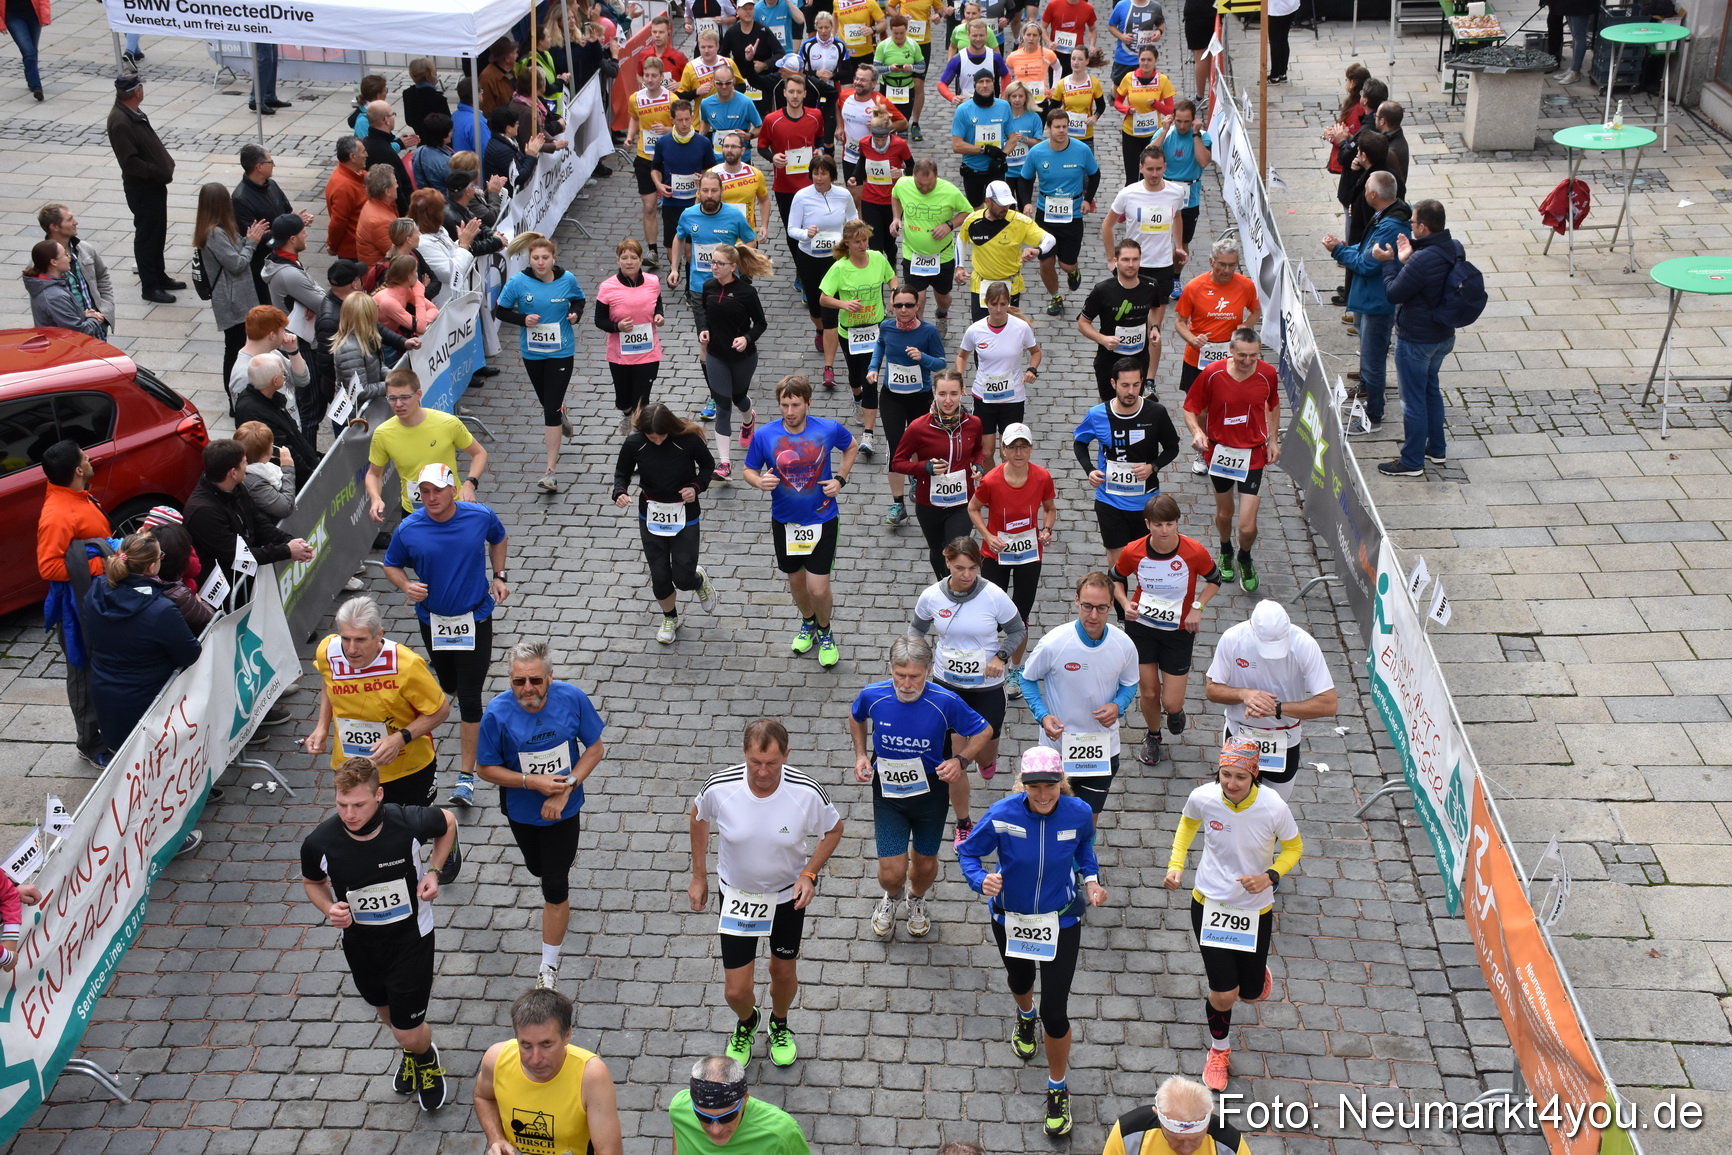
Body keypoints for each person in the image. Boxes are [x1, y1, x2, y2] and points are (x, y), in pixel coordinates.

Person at [957, 748, 1106, 1138]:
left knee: (1056, 1011)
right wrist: (980, 880)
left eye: (1051, 787)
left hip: (1062, 920)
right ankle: (1025, 1017)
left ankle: (1057, 1086)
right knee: (1020, 982)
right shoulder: (1003, 813)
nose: (1043, 795)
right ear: (1023, 784)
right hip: (1012, 918)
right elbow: (968, 852)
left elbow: (1084, 849)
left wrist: (1090, 879)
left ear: (1062, 783)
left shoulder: (1077, 812)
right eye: (1035, 787)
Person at [299, 758, 458, 1111]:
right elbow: (313, 882)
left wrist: (434, 870)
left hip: (410, 939)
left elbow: (448, 822)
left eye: (359, 804)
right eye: (342, 804)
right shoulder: (319, 842)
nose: (349, 814)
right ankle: (413, 1051)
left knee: (406, 1028)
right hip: (361, 945)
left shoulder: (406, 821)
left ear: (379, 795)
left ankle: (427, 1060)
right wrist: (329, 908)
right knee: (385, 1012)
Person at [689, 720, 844, 1068]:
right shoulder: (720, 787)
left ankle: (779, 1022)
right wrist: (699, 876)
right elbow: (698, 818)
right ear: (744, 754)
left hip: (786, 899)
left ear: (786, 756)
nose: (762, 772)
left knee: (783, 973)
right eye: (755, 763)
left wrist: (809, 873)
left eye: (772, 764)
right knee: (736, 991)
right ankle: (748, 1020)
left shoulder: (805, 792)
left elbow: (834, 829)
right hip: (738, 898)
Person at [1165, 737, 1301, 1092]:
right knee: (1224, 993)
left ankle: (1255, 976)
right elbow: (1187, 825)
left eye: (1240, 776)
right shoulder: (1203, 797)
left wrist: (1269, 876)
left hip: (1255, 909)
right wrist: (1176, 866)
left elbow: (1294, 847)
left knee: (1250, 993)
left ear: (1254, 775)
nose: (1231, 783)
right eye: (1225, 774)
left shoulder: (1273, 807)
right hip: (1209, 903)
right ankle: (1219, 1051)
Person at [475, 642, 606, 990]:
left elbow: (595, 748)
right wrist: (530, 781)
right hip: (521, 812)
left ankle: (548, 967)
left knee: (554, 883)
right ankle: (554, 890)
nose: (527, 689)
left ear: (550, 677)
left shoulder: (572, 699)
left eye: (535, 680)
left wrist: (565, 789)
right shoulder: (497, 715)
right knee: (536, 867)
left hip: (564, 811)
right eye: (519, 681)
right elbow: (485, 768)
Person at [382, 464, 511, 808]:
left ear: (453, 489)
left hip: (475, 618)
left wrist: (499, 575)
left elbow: (498, 537)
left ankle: (466, 778)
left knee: (469, 698)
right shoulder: (409, 528)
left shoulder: (479, 516)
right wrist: (406, 584)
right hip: (433, 622)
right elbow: (391, 564)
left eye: (437, 490)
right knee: (448, 683)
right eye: (424, 492)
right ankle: (448, 694)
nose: (431, 497)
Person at [849, 636, 991, 938]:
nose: (906, 683)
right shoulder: (873, 695)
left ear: (928, 671)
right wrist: (861, 754)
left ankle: (916, 898)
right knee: (891, 873)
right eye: (900, 675)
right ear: (890, 669)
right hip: (888, 793)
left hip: (931, 794)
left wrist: (961, 761)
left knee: (925, 865)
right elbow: (856, 715)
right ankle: (891, 897)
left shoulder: (945, 701)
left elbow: (984, 730)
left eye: (914, 676)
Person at [910, 536, 1023, 843]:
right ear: (947, 562)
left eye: (973, 568)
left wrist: (1001, 657)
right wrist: (920, 662)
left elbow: (1017, 630)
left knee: (985, 755)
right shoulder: (932, 596)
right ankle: (964, 823)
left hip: (987, 687)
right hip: (948, 687)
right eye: (960, 568)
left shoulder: (994, 596)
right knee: (957, 760)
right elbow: (917, 630)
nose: (967, 575)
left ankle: (988, 761)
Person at [742, 377, 859, 668]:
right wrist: (760, 481)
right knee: (797, 583)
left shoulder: (828, 429)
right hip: (785, 522)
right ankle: (808, 622)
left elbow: (852, 446)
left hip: (822, 518)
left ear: (808, 403)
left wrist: (840, 479)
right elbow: (748, 469)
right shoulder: (765, 435)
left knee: (818, 588)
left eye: (796, 404)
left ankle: (825, 630)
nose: (790, 411)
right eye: (784, 404)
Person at [305, 595, 453, 811]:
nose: (351, 649)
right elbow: (329, 682)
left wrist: (399, 740)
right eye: (346, 639)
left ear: (379, 635)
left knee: (411, 837)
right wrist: (321, 727)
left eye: (361, 640)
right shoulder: (328, 651)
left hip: (406, 769)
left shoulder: (407, 664)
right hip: (351, 767)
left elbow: (440, 711)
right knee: (361, 833)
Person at [1110, 492, 1221, 766]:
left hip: (1178, 631)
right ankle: (1153, 736)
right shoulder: (1133, 550)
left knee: (1171, 702)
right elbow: (1115, 578)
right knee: (1148, 692)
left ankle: (1174, 713)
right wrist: (1125, 604)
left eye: (1170, 524)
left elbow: (1214, 579)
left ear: (1177, 523)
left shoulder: (1193, 551)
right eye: (1158, 525)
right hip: (1143, 627)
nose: (1164, 530)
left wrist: (1198, 607)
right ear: (1147, 524)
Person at [1018, 571, 1139, 813]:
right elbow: (1026, 678)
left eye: (1101, 608)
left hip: (1103, 750)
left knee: (1087, 826)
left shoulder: (1124, 644)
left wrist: (1118, 705)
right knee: (1050, 818)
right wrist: (1043, 715)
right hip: (1057, 751)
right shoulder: (1055, 642)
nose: (1093, 615)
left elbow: (1130, 683)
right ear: (1076, 601)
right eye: (1087, 606)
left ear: (1111, 605)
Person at [81, 531, 202, 754]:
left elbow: (89, 639)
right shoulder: (161, 610)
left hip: (107, 697)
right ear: (151, 567)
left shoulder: (95, 592)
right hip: (151, 702)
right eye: (160, 556)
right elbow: (190, 653)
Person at [1206, 599, 1338, 801]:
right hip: (1241, 733)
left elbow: (1329, 704)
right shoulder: (1233, 639)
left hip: (1285, 738)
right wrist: (1245, 694)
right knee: (1233, 804)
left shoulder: (1304, 644)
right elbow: (1212, 690)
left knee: (1273, 813)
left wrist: (1277, 708)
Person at [1182, 327, 1280, 591]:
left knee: (1247, 527)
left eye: (1253, 356)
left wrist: (1273, 440)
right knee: (1225, 513)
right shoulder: (1212, 373)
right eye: (1242, 356)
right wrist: (1198, 432)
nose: (1248, 362)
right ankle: (1225, 549)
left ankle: (1244, 556)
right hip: (1221, 453)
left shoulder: (1268, 373)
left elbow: (1273, 404)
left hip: (1253, 454)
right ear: (1231, 351)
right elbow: (1190, 408)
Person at [613, 403, 719, 643]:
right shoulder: (634, 444)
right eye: (652, 437)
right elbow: (622, 472)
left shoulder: (688, 441)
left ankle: (698, 580)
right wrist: (620, 491)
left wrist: (696, 487)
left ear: (670, 428)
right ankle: (670, 617)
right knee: (659, 574)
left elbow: (708, 466)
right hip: (651, 514)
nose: (658, 441)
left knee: (682, 578)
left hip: (685, 515)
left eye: (662, 435)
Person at [37, 441, 115, 765]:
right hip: (77, 609)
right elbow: (48, 566)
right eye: (85, 457)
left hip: (94, 598)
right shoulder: (57, 515)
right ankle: (90, 742)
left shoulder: (75, 494)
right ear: (77, 471)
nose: (90, 457)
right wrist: (105, 564)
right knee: (82, 672)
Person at [475, 989, 624, 1155]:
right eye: (526, 1045)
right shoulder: (496, 1059)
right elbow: (483, 1097)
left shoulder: (590, 1075)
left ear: (567, 1035)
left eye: (546, 1045)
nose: (535, 1059)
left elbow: (608, 1150)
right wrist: (496, 1138)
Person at [1376, 198, 1463, 479]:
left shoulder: (1423, 259)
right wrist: (1409, 258)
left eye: (1413, 223)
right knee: (1430, 390)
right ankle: (1436, 448)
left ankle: (1412, 460)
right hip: (1442, 336)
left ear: (1423, 227)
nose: (1410, 226)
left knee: (1412, 400)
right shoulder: (1454, 247)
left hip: (1416, 340)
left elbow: (1394, 293)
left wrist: (1389, 264)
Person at [492, 233, 585, 493]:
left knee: (549, 410)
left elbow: (579, 299)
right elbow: (500, 310)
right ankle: (560, 410)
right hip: (533, 353)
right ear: (529, 259)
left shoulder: (567, 280)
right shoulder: (518, 283)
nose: (540, 262)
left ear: (554, 258)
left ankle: (550, 471)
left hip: (562, 352)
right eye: (536, 258)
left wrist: (575, 314)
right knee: (549, 403)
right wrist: (523, 320)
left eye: (545, 258)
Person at [1073, 356, 1179, 571]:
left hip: (1145, 502)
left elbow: (1172, 447)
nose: (1130, 391)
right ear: (1113, 384)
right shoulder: (1097, 414)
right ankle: (1122, 605)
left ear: (1142, 382)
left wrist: (1153, 467)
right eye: (1125, 385)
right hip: (1109, 499)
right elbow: (1080, 443)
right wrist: (1090, 470)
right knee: (1117, 562)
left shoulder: (1156, 413)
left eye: (1136, 385)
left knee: (1146, 563)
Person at [967, 421, 1054, 678]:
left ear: (1031, 449)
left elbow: (1049, 508)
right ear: (1003, 450)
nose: (1018, 452)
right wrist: (987, 535)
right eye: (1012, 447)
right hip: (995, 555)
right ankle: (987, 662)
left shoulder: (1042, 477)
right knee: (991, 614)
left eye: (1023, 446)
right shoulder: (991, 480)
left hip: (1029, 554)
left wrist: (1047, 530)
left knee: (1021, 616)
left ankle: (1016, 670)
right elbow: (973, 508)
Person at [1326, 171, 1409, 438]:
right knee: (1369, 354)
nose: (1364, 193)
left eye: (1366, 190)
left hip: (1377, 303)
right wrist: (1342, 247)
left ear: (1373, 195)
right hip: (1368, 299)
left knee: (1373, 359)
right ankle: (1370, 395)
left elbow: (1366, 263)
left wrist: (1338, 251)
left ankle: (1374, 413)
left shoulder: (1390, 225)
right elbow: (1363, 249)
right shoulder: (1385, 216)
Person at [1102, 145, 1189, 381]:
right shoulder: (1128, 193)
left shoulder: (1175, 192)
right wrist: (1112, 259)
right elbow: (1107, 226)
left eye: (1158, 169)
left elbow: (1178, 217)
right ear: (1141, 168)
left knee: (1154, 329)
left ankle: (1149, 379)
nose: (1154, 174)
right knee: (1127, 324)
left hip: (1160, 267)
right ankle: (1122, 372)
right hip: (1133, 267)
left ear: (1165, 168)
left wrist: (1178, 245)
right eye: (1149, 169)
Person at [891, 370, 984, 576]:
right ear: (934, 392)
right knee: (938, 550)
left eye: (953, 393)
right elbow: (898, 462)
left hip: (962, 502)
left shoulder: (973, 424)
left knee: (956, 550)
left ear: (962, 392)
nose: (948, 400)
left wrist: (978, 465)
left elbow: (978, 451)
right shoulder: (918, 427)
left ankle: (955, 588)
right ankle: (943, 584)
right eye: (942, 394)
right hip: (929, 503)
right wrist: (924, 467)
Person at [365, 368, 488, 522]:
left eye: (404, 397)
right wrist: (375, 498)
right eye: (392, 398)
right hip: (414, 512)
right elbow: (373, 473)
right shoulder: (383, 433)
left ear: (418, 395)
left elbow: (479, 453)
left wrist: (470, 483)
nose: (398, 404)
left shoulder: (447, 423)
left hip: (453, 507)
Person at [184, 438, 315, 580]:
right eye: (245, 462)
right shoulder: (203, 513)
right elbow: (237, 556)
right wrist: (287, 550)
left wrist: (290, 541)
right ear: (233, 473)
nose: (247, 465)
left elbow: (258, 523)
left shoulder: (237, 487)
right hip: (226, 586)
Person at [870, 287, 948, 526]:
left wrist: (922, 357)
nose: (904, 310)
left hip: (920, 397)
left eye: (909, 305)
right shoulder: (886, 326)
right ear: (892, 306)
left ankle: (916, 477)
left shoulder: (928, 332)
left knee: (920, 445)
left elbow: (941, 363)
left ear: (917, 306)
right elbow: (880, 346)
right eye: (899, 305)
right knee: (896, 448)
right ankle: (898, 504)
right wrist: (873, 368)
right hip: (892, 396)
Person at [819, 219, 896, 448]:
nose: (862, 245)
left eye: (865, 240)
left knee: (870, 378)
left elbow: (892, 277)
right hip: (850, 332)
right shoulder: (840, 267)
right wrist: (843, 305)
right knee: (855, 376)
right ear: (848, 244)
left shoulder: (878, 259)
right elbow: (823, 298)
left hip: (875, 330)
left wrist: (893, 293)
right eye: (857, 242)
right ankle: (856, 397)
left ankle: (868, 435)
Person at [1016, 108, 1099, 317]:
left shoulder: (1081, 150)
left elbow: (1095, 174)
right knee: (1045, 263)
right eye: (1057, 127)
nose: (1062, 131)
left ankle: (1074, 271)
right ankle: (1055, 297)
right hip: (1046, 215)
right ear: (1049, 128)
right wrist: (1026, 203)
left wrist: (1088, 200)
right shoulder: (1037, 152)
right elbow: (1024, 179)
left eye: (1065, 127)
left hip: (1072, 214)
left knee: (1066, 264)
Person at [701, 242, 774, 478]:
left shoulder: (746, 292)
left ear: (733, 266)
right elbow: (705, 314)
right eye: (712, 262)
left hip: (743, 358)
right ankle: (724, 464)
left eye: (719, 263)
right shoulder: (708, 287)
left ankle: (748, 417)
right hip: (716, 356)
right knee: (722, 407)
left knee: (738, 398)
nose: (714, 266)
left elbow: (761, 324)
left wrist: (746, 338)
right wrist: (704, 329)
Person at [107, 75, 181, 305]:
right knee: (147, 236)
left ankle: (160, 275)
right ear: (137, 92)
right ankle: (150, 286)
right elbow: (129, 161)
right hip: (143, 188)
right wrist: (154, 171)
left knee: (158, 233)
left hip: (154, 185)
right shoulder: (121, 121)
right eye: (141, 87)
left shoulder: (134, 113)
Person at [786, 155, 858, 381]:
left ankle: (829, 367)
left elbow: (853, 217)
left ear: (832, 175)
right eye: (815, 173)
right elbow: (791, 229)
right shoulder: (801, 197)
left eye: (823, 173)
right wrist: (805, 233)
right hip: (809, 257)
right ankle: (819, 329)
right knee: (816, 308)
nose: (819, 178)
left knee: (830, 313)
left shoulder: (844, 195)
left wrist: (847, 235)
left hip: (836, 259)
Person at [958, 280, 1040, 466]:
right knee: (986, 453)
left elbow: (1035, 352)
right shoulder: (975, 330)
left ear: (1008, 303)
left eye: (1003, 304)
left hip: (1013, 398)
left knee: (1007, 453)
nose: (998, 309)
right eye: (993, 304)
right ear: (986, 303)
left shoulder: (1021, 328)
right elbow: (962, 356)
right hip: (984, 398)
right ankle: (991, 487)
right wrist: (960, 378)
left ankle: (1005, 487)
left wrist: (1031, 370)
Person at [195, 184, 271, 384]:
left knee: (239, 346)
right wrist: (252, 242)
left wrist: (249, 238)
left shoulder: (221, 229)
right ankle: (234, 395)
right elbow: (237, 264)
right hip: (232, 300)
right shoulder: (214, 233)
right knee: (235, 348)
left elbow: (237, 251)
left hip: (238, 296)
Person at [672, 172, 756, 343]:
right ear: (699, 190)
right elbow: (679, 237)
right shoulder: (688, 214)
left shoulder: (734, 216)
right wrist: (674, 268)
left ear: (721, 191)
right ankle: (710, 368)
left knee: (729, 334)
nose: (709, 195)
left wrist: (735, 262)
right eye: (705, 190)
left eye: (714, 191)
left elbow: (751, 241)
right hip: (699, 286)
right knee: (705, 337)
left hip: (728, 286)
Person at [670, 1056, 814, 1154]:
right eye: (704, 1117)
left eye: (727, 1116)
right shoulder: (679, 1108)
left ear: (745, 1099)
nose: (715, 1130)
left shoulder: (782, 1132)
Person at [1173, 237, 1260, 401]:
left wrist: (1246, 325)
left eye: (1232, 265)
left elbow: (1256, 310)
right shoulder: (1194, 287)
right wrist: (1192, 339)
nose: (1227, 270)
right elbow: (1179, 322)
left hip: (1232, 357)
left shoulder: (1245, 285)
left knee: (1227, 403)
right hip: (1197, 358)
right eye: (1222, 264)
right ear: (1211, 261)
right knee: (1199, 407)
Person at [955, 178, 1053, 321]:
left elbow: (1050, 239)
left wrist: (1038, 250)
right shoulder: (973, 220)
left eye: (1008, 203)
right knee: (981, 331)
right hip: (981, 285)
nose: (1006, 207)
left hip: (1010, 285)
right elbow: (961, 239)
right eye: (1001, 204)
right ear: (988, 201)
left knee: (1009, 332)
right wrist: (959, 266)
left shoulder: (1020, 222)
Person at [1076, 240, 1161, 401]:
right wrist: (1103, 339)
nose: (1131, 264)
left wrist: (1155, 327)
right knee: (1109, 405)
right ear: (1116, 261)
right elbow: (1082, 323)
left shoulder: (1151, 286)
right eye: (1126, 260)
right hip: (1110, 359)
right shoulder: (1102, 290)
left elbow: (1155, 307)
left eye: (1135, 259)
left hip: (1139, 358)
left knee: (1133, 402)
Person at [595, 239, 666, 434]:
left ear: (641, 259)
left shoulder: (653, 282)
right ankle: (626, 414)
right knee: (624, 401)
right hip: (620, 355)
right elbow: (599, 320)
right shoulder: (607, 287)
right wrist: (617, 326)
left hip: (648, 352)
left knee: (642, 400)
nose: (629, 262)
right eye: (624, 258)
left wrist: (659, 315)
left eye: (633, 257)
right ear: (618, 261)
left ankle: (639, 438)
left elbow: (657, 303)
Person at [889, 159, 971, 321]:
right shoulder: (903, 184)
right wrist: (897, 218)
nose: (925, 188)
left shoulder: (950, 191)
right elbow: (895, 196)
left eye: (929, 184)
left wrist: (949, 225)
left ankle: (942, 313)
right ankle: (918, 330)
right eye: (920, 185)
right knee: (917, 298)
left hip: (942, 255)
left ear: (937, 177)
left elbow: (967, 212)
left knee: (943, 297)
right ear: (912, 176)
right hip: (913, 253)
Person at [654, 101, 720, 283]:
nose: (684, 124)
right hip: (671, 201)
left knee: (691, 249)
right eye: (680, 120)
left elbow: (711, 168)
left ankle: (690, 285)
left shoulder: (703, 142)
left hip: (695, 203)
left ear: (692, 118)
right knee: (670, 246)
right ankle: (675, 266)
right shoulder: (663, 142)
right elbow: (654, 168)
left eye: (687, 119)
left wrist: (704, 180)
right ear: (672, 120)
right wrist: (658, 184)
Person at [1102, 1076, 1253, 1155]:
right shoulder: (1127, 1133)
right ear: (1158, 1115)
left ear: (1211, 1114)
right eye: (1175, 1139)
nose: (1186, 1150)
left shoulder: (1231, 1145)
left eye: (1195, 1139)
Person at [233, 354, 321, 483]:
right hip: (292, 480)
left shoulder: (267, 398)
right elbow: (283, 449)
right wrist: (309, 474)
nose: (284, 376)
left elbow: (294, 436)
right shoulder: (253, 411)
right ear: (275, 381)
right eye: (282, 373)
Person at [760, 73, 827, 239]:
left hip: (811, 184)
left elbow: (820, 140)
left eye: (798, 92)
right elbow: (762, 147)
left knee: (812, 229)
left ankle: (805, 264)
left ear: (805, 93)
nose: (795, 96)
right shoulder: (771, 120)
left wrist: (820, 151)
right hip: (784, 186)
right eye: (791, 92)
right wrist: (773, 157)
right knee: (792, 232)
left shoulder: (816, 116)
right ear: (784, 93)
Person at [628, 56, 678, 268]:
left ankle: (674, 247)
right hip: (644, 157)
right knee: (649, 207)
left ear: (661, 77)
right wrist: (630, 136)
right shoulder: (635, 98)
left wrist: (668, 130)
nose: (649, 79)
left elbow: (683, 126)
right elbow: (635, 118)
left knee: (670, 207)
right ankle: (652, 251)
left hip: (668, 159)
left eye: (654, 76)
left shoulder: (672, 99)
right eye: (646, 75)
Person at [40, 204, 116, 342]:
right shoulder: (40, 261)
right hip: (67, 336)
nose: (75, 222)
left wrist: (105, 307)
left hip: (97, 327)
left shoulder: (85, 249)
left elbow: (102, 275)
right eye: (69, 219)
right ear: (54, 227)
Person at [849, 113, 913, 266]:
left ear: (889, 134)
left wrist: (902, 172)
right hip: (870, 200)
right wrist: (855, 177)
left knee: (888, 243)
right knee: (875, 244)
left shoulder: (900, 145)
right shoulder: (864, 143)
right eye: (876, 139)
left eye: (882, 139)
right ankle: (878, 275)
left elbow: (912, 167)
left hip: (893, 201)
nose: (878, 142)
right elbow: (862, 162)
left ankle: (891, 262)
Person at [1155, 98, 1211, 266]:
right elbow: (1149, 155)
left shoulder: (1202, 136)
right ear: (1172, 117)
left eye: (1187, 121)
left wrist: (1195, 134)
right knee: (1158, 238)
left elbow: (1203, 161)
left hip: (1189, 196)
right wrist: (1164, 131)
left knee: (1183, 242)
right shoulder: (1165, 133)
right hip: (1164, 191)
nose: (1182, 126)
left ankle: (1175, 277)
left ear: (1193, 120)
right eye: (1178, 121)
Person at [948, 68, 1014, 208]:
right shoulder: (963, 110)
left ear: (993, 83)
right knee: (976, 210)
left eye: (988, 81)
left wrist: (1001, 156)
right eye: (981, 82)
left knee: (999, 209)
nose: (985, 85)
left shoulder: (1004, 106)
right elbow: (957, 146)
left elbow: (1013, 137)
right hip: (973, 170)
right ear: (975, 85)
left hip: (995, 168)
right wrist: (984, 149)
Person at [22, 242, 104, 337]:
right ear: (54, 262)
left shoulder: (47, 284)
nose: (69, 257)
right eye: (65, 254)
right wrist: (94, 319)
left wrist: (83, 315)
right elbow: (77, 332)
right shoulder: (54, 297)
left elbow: (60, 319)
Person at [723, 0, 785, 119]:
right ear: (738, 11)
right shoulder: (732, 33)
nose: (748, 12)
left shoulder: (763, 30)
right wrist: (731, 73)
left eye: (751, 8)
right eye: (745, 8)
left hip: (762, 81)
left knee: (762, 119)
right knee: (740, 119)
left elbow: (780, 53)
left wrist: (765, 64)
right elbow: (724, 57)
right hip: (741, 82)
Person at [710, 129, 773, 239]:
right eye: (726, 146)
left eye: (734, 147)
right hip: (720, 235)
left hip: (747, 236)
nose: (729, 150)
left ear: (743, 150)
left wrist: (764, 226)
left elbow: (764, 200)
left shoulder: (755, 174)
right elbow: (700, 202)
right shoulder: (712, 174)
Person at [235, 420, 296, 521]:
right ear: (268, 450)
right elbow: (286, 507)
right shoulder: (255, 483)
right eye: (271, 445)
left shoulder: (262, 468)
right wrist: (288, 469)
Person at [874, 15, 925, 132]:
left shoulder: (913, 45)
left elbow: (922, 67)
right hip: (887, 87)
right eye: (895, 33)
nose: (899, 36)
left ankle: (901, 145)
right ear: (890, 30)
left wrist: (911, 67)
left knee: (904, 122)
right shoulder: (883, 46)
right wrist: (890, 69)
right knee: (886, 120)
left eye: (902, 33)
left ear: (906, 30)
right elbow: (876, 69)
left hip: (907, 87)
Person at [702, 71, 765, 164]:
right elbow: (705, 122)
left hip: (741, 159)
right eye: (719, 83)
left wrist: (749, 136)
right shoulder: (706, 103)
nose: (724, 86)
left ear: (734, 81)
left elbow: (760, 127)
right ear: (713, 82)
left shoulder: (746, 102)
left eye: (728, 83)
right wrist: (699, 138)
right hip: (717, 158)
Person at [374, 254, 439, 339]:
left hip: (387, 337)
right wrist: (419, 294)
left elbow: (433, 309)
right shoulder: (388, 301)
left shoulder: (406, 290)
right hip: (377, 343)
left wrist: (422, 322)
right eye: (415, 272)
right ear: (409, 277)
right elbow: (421, 328)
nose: (417, 275)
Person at [1054, 45, 1107, 148]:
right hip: (1066, 136)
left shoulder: (1094, 83)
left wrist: (1095, 117)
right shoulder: (1062, 83)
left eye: (1080, 59)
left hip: (1086, 136)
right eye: (1073, 59)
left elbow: (1101, 105)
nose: (1076, 62)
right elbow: (1052, 108)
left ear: (1087, 61)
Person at [1104, 0, 1164, 86]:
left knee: (1143, 87)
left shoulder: (1155, 6)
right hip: (1123, 58)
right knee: (1118, 86)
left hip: (1144, 59)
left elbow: (1160, 23)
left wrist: (1159, 31)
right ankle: (1113, 99)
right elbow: (1111, 26)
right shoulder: (1122, 5)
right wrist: (1122, 37)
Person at [355, 166, 400, 268]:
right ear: (387, 191)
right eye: (395, 182)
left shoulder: (373, 204)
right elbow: (398, 254)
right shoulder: (380, 221)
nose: (397, 185)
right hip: (383, 277)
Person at [1547, 0, 1595, 84]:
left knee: (1579, 35)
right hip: (1569, 4)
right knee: (1575, 35)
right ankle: (1573, 68)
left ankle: (1575, 71)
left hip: (1580, 5)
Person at [5, 0, 44, 100]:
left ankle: (30, 78)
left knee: (33, 50)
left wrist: (44, 14)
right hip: (12, 16)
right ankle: (37, 87)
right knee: (28, 51)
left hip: (33, 14)